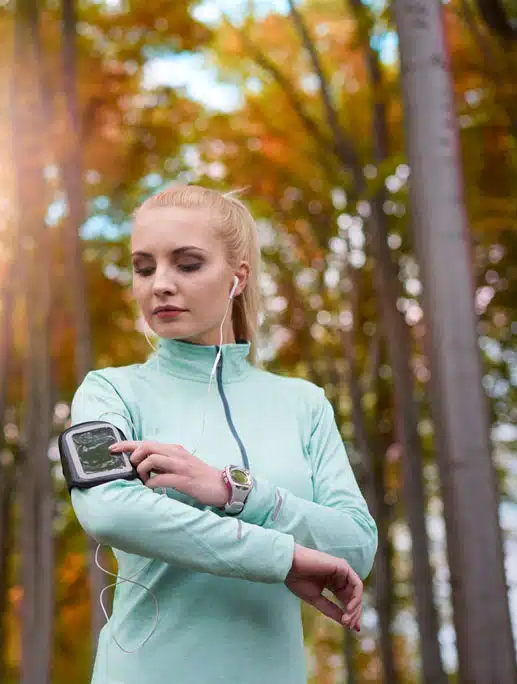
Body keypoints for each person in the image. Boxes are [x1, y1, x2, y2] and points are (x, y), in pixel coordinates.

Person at [69, 185, 378, 684]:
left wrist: (232, 490)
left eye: (187, 264)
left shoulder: (304, 404)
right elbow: (109, 509)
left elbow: (356, 547)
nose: (159, 285)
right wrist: (284, 557)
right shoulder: (109, 392)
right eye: (144, 268)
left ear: (238, 277)